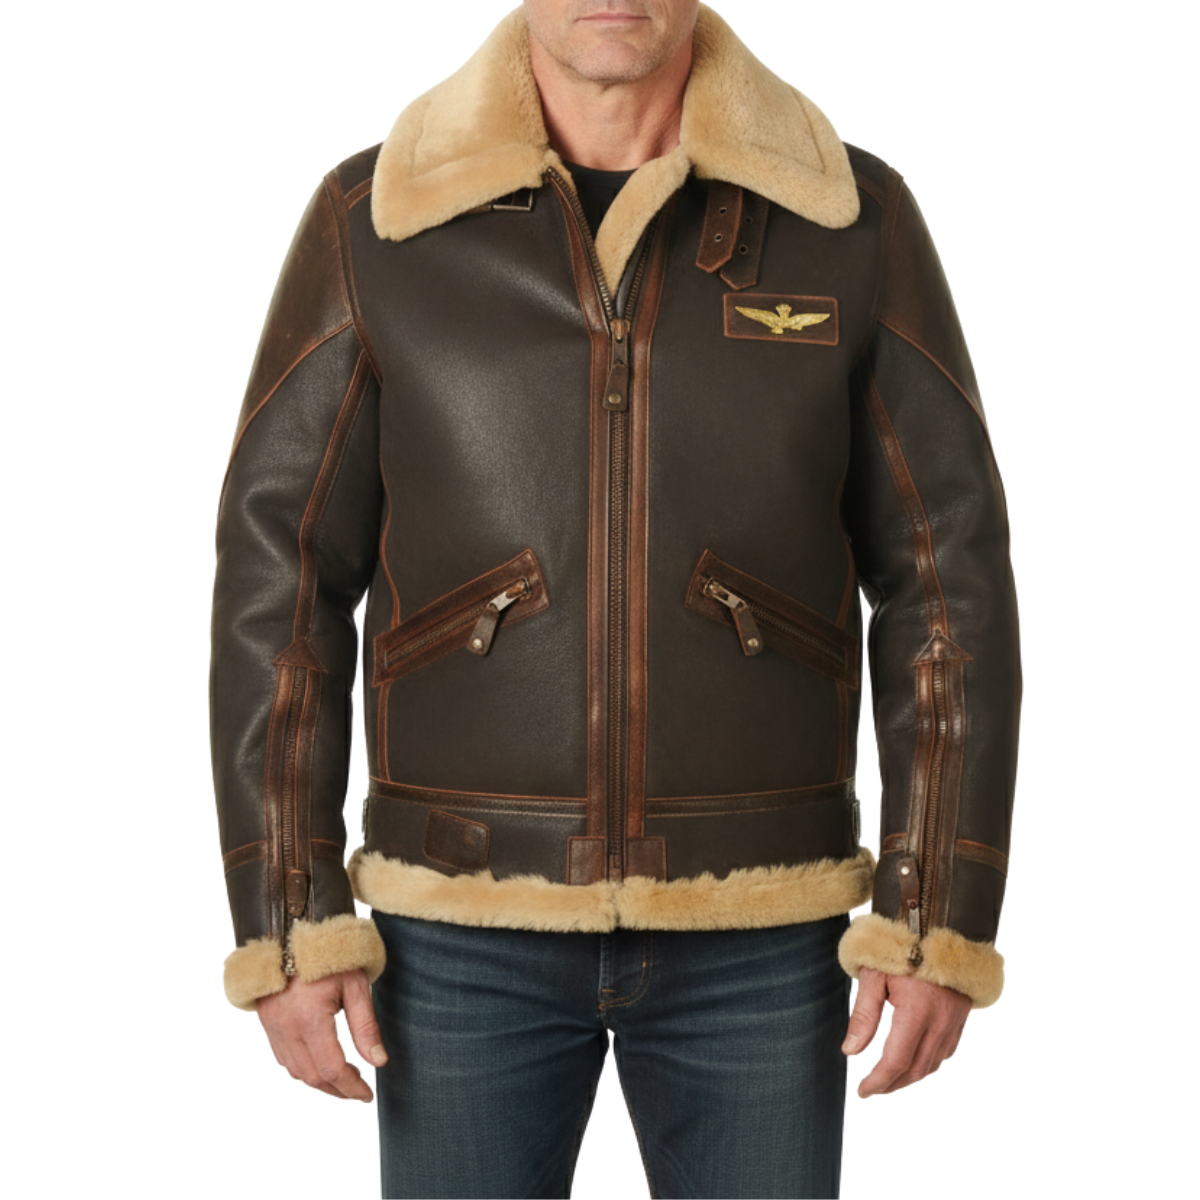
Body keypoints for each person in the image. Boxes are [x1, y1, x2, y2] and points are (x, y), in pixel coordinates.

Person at [210, 2, 1022, 1196]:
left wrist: (934, 909)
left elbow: (946, 579)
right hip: (461, 926)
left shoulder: (847, 220)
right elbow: (279, 575)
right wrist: (288, 914)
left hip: (760, 924)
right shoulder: (379, 219)